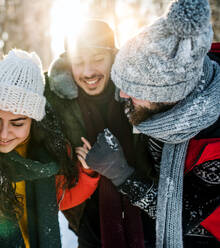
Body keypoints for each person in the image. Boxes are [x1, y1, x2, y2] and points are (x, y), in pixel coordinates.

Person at [85, 0, 220, 247]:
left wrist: (121, 174)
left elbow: (182, 216)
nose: (123, 95)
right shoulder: (182, 65)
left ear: (167, 97)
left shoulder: (214, 142)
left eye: (133, 90)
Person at [0, 49, 99, 248]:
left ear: (34, 122)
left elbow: (61, 199)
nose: (4, 133)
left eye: (17, 123)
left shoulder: (44, 156)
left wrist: (87, 172)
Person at [45, 19, 154, 247]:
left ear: (113, 58)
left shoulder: (139, 92)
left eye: (97, 59)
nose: (88, 71)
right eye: (79, 62)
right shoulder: (54, 103)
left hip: (147, 215)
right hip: (90, 222)